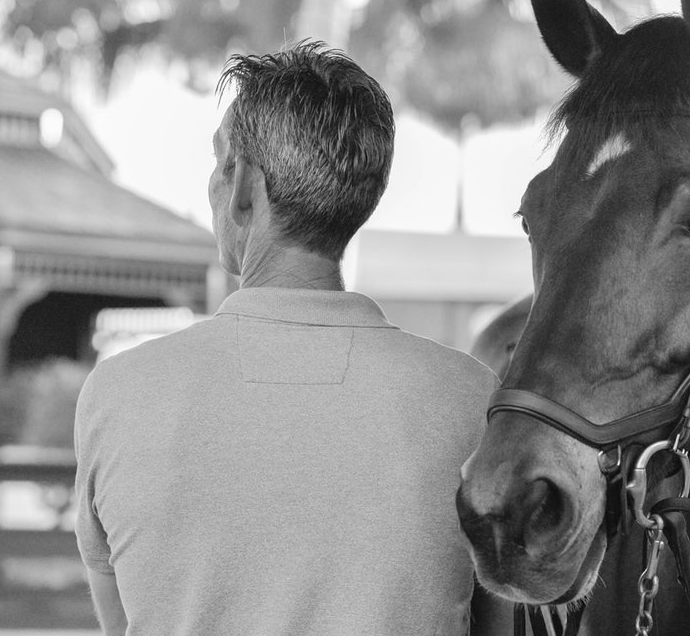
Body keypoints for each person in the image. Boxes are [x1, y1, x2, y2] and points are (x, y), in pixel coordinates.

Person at [74, 41, 498, 636]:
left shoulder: (120, 395)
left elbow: (122, 617)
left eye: (218, 160)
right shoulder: (471, 399)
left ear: (244, 187)